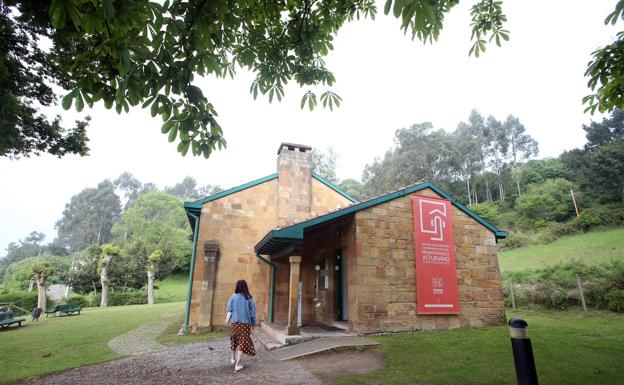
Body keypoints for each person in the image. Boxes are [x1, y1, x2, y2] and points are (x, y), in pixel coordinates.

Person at [226, 279, 257, 373]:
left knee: (234, 339)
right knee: (243, 342)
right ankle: (238, 364)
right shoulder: (249, 298)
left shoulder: (233, 296)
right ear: (245, 287)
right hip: (245, 324)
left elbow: (229, 308)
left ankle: (232, 358)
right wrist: (253, 323)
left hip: (235, 323)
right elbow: (252, 313)